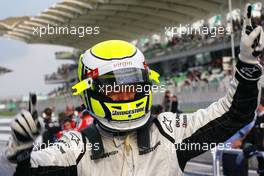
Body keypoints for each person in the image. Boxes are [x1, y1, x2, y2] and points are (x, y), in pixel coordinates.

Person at [4, 6, 264, 175]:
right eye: (116, 90)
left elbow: (234, 114)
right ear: (90, 93)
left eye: (134, 87)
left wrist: (248, 65)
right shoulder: (76, 145)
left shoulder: (169, 131)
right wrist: (24, 153)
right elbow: (34, 170)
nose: (127, 96)